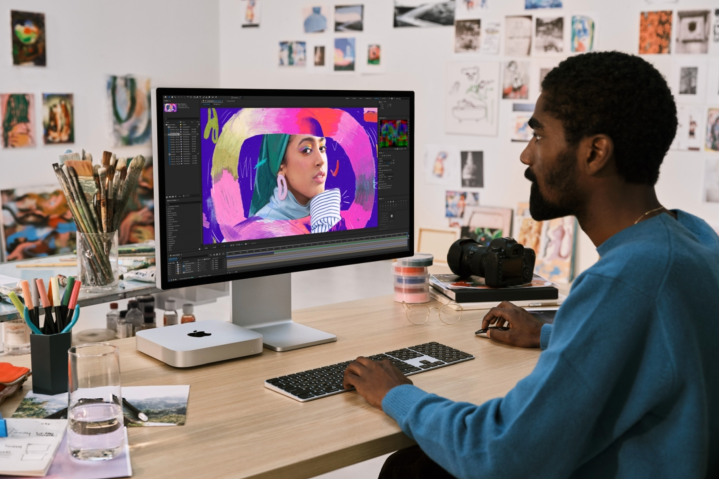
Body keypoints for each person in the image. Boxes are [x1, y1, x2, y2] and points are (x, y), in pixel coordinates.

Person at [343, 51, 719, 478]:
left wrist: (397, 394)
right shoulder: (695, 238)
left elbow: (499, 455)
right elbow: (661, 348)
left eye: (538, 137)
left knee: (408, 472)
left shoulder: (625, 280)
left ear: (595, 152)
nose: (526, 156)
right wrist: (549, 334)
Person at [250, 133, 341, 234]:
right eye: (307, 150)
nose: (321, 160)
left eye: (322, 148)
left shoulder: (327, 212)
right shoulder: (263, 228)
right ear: (281, 164)